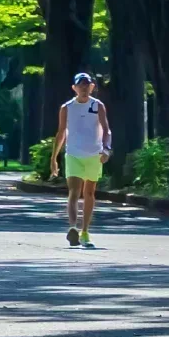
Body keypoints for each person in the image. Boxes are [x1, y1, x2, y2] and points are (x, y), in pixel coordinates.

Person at [52, 71, 111, 248]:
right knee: (74, 192)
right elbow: (61, 132)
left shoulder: (98, 105)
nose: (84, 88)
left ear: (92, 87)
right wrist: (54, 158)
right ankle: (73, 228)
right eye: (81, 85)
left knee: (89, 193)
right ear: (74, 88)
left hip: (94, 154)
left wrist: (107, 149)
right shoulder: (67, 108)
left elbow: (106, 129)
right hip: (73, 154)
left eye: (87, 85)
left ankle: (85, 231)